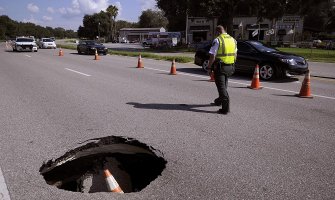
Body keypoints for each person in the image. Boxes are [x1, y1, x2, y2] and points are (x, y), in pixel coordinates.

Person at [207, 25, 237, 114]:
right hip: (230, 66)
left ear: (217, 32)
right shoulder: (233, 40)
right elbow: (235, 54)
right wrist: (232, 63)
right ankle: (219, 101)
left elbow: (212, 55)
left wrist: (209, 67)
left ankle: (225, 109)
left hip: (220, 67)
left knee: (222, 88)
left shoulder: (218, 40)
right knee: (223, 85)